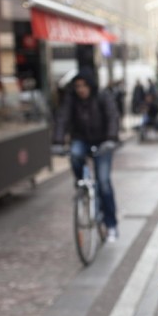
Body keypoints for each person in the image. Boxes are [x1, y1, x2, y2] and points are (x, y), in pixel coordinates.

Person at [51, 72, 121, 242]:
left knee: (104, 183)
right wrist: (58, 141)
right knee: (75, 154)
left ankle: (111, 224)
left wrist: (111, 139)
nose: (81, 89)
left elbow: (112, 116)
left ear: (91, 86)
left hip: (103, 141)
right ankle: (81, 183)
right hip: (81, 139)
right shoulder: (71, 100)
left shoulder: (103, 96)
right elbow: (62, 118)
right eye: (78, 86)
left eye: (84, 86)